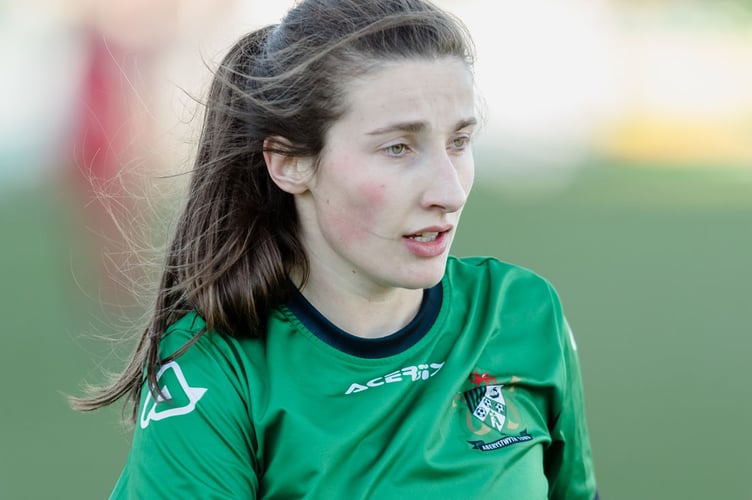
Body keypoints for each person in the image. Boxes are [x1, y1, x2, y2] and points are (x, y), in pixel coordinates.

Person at [73, 0, 598, 498]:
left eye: (459, 142)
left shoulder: (522, 313)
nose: (450, 191)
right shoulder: (216, 369)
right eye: (398, 148)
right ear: (290, 162)